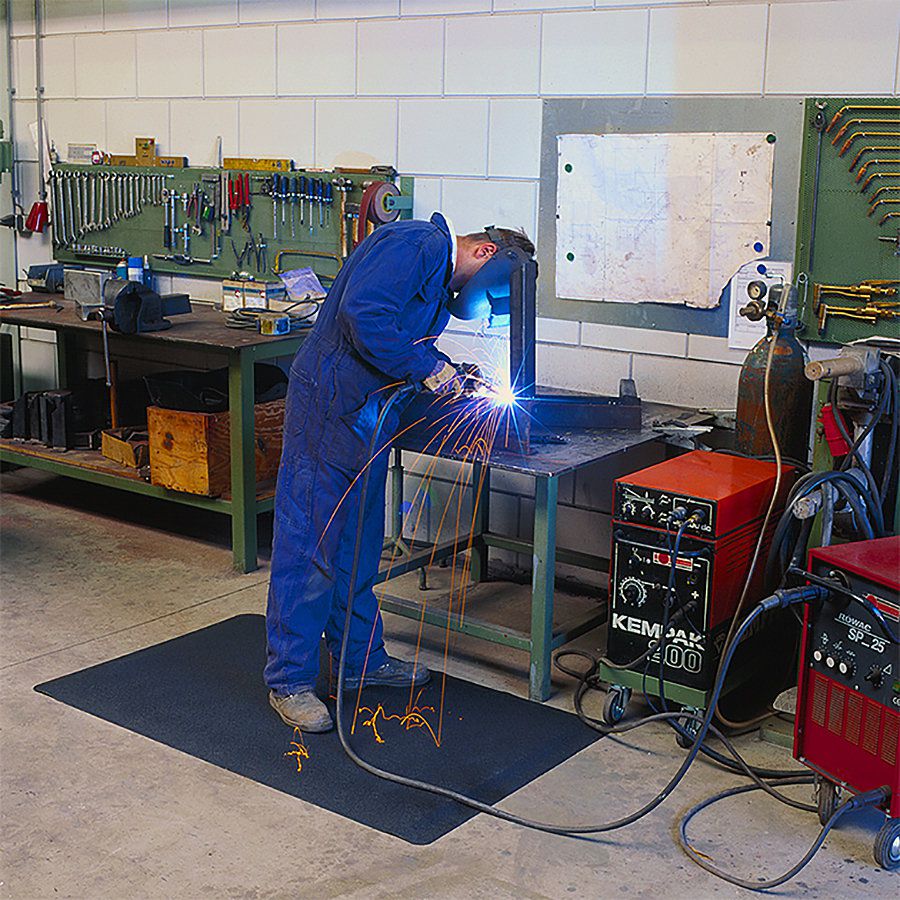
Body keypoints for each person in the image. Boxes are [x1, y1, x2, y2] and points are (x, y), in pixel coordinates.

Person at [265, 213, 535, 732]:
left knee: (357, 548)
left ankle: (358, 662)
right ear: (484, 255)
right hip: (329, 410)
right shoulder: (418, 244)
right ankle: (290, 680)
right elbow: (363, 315)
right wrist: (429, 371)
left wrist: (451, 372)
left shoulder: (434, 278)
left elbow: (402, 338)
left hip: (367, 419)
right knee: (310, 549)